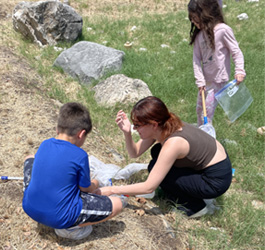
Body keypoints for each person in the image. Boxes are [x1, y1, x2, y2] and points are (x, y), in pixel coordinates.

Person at [98, 96, 232, 218]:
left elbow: (148, 187)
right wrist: (126, 133)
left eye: (138, 125)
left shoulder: (173, 143)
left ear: (153, 124)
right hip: (210, 165)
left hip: (215, 181)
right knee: (157, 152)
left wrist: (111, 189)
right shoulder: (164, 125)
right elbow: (135, 153)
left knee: (162, 174)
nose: (135, 129)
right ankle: (189, 189)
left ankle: (195, 207)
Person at [22, 102, 123, 240]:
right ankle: (71, 229)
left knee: (30, 158)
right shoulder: (79, 155)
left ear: (57, 128)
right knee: (117, 204)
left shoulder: (45, 143)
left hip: (29, 206)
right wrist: (95, 182)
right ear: (81, 134)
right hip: (59, 217)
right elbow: (86, 190)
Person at [188, 0, 246, 126]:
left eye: (194, 17)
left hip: (218, 81)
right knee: (200, 110)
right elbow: (196, 59)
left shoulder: (223, 31)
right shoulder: (199, 36)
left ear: (205, 14)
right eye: (191, 18)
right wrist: (200, 80)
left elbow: (236, 52)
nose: (192, 21)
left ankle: (207, 140)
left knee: (206, 113)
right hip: (205, 82)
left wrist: (240, 70)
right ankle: (203, 134)